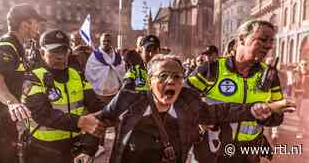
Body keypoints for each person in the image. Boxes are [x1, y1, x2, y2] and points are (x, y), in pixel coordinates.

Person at [87, 54, 292, 163]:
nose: (171, 81)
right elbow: (101, 120)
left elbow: (222, 111)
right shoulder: (129, 99)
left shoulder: (188, 103)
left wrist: (263, 107)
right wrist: (85, 151)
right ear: (149, 81)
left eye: (176, 77)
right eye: (163, 76)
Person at [187, 20, 285, 163]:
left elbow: (278, 116)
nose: (269, 45)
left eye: (271, 41)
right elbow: (182, 100)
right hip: (212, 152)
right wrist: (198, 120)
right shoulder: (211, 69)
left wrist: (265, 116)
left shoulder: (270, 75)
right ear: (241, 39)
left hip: (249, 154)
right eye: (263, 39)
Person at [0, 4, 45, 163]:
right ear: (25, 24)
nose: (38, 27)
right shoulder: (7, 46)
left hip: (3, 116)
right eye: (36, 22)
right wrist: (13, 103)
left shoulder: (16, 45)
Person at [22, 29, 105, 163]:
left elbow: (95, 108)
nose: (60, 56)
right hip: (43, 152)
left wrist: (88, 149)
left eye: (64, 51)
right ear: (42, 53)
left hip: (75, 150)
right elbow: (41, 113)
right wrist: (80, 122)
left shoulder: (77, 75)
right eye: (54, 52)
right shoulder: (33, 77)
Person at [85, 33, 125, 156]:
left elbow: (122, 70)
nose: (106, 43)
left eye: (108, 41)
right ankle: (99, 145)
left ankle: (119, 145)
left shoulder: (117, 57)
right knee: (101, 121)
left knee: (119, 121)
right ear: (100, 42)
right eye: (104, 41)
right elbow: (89, 72)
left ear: (111, 42)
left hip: (115, 94)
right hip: (100, 95)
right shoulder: (95, 56)